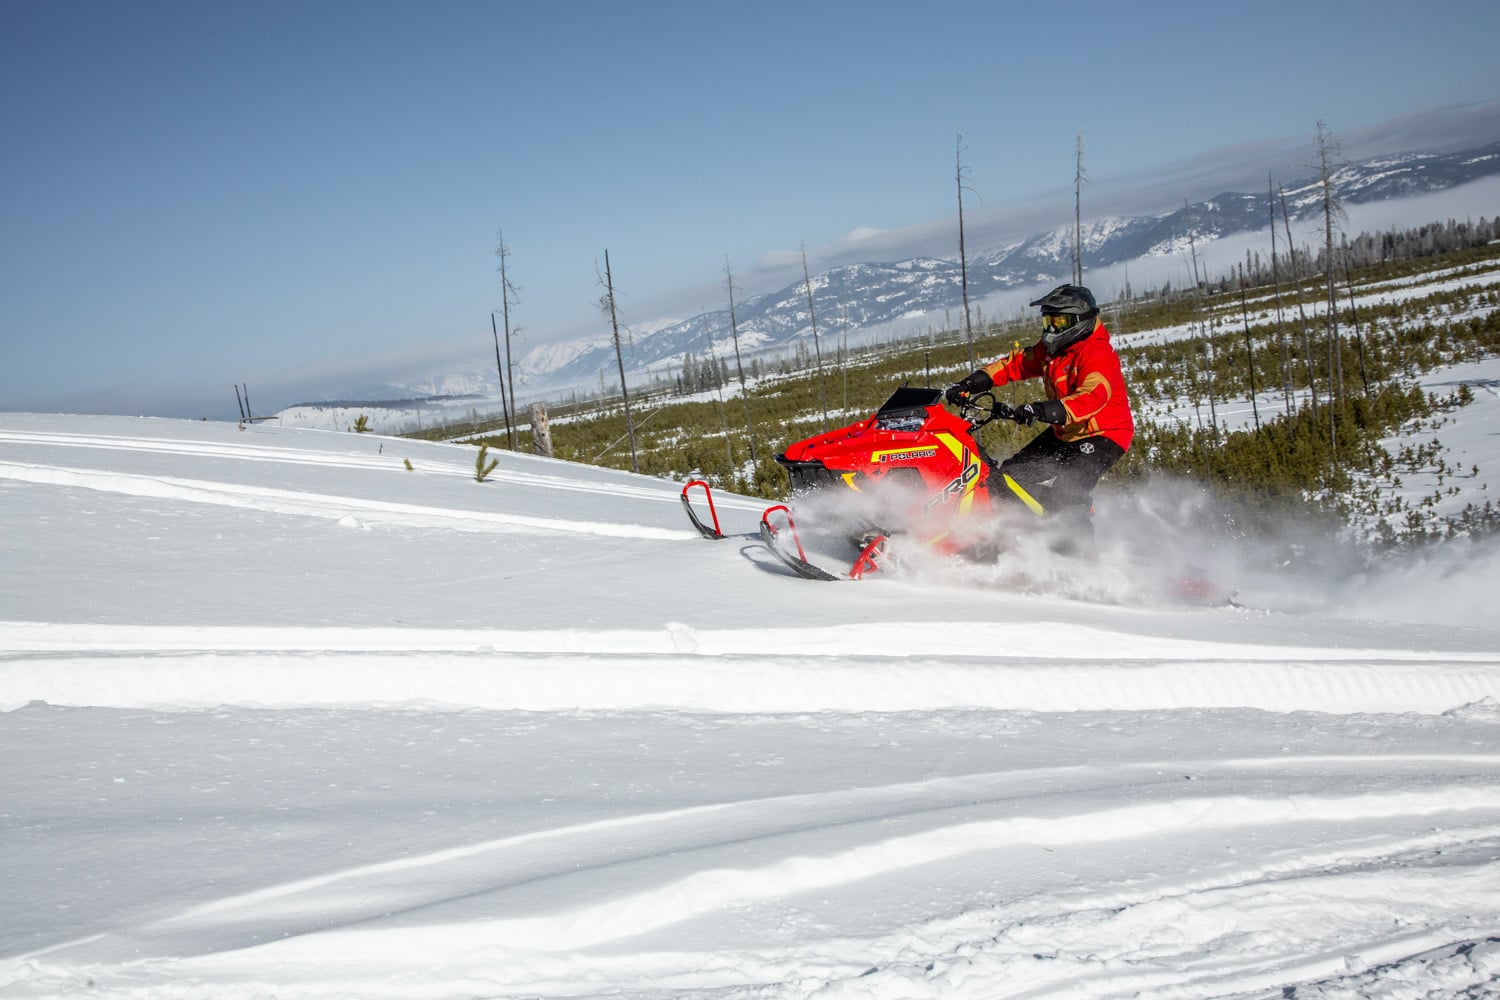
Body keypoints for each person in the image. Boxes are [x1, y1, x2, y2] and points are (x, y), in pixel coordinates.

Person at [946, 283, 1134, 551]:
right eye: (1048, 320)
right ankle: (1025, 535)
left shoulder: (1097, 353)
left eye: (1058, 321)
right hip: (1065, 432)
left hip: (1103, 434)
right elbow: (1016, 363)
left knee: (1067, 491)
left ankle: (1083, 559)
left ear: (1078, 320)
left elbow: (1093, 396)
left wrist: (1043, 410)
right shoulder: (1051, 352)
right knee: (1008, 477)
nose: (1051, 328)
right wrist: (973, 382)